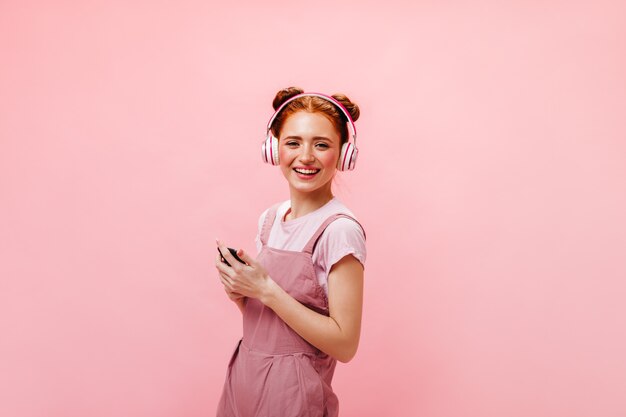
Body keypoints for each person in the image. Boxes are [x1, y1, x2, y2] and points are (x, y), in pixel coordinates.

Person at [214, 87, 366, 417]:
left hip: (294, 397)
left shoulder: (339, 230)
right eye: (293, 142)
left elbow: (344, 344)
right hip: (246, 380)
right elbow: (279, 328)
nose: (306, 156)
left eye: (322, 144)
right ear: (274, 148)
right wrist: (243, 293)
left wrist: (266, 290)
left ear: (343, 154)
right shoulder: (270, 220)